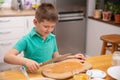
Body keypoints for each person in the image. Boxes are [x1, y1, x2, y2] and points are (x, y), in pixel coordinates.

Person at [4, 3, 85, 72]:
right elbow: (7, 57)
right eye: (46, 26)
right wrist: (26, 62)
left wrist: (73, 57)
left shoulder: (52, 38)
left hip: (49, 72)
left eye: (52, 27)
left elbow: (56, 58)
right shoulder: (26, 39)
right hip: (31, 75)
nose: (49, 30)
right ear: (35, 22)